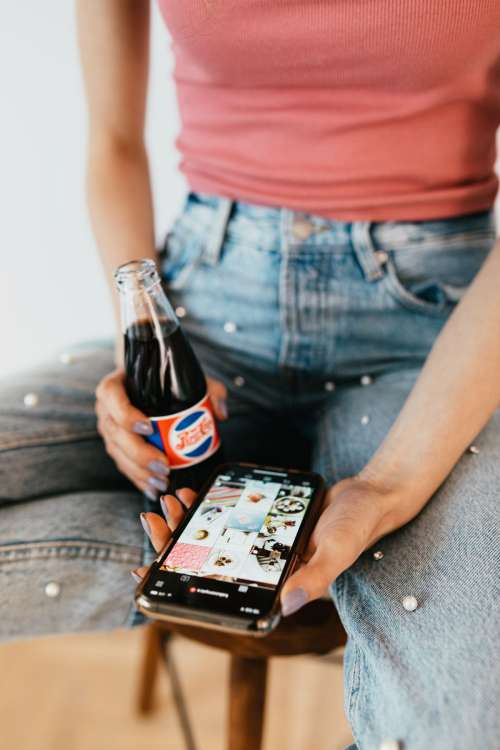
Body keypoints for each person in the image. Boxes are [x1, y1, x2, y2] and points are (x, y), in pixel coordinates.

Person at [1, 2, 499, 748]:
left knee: (463, 720)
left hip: (431, 336)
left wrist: (391, 489)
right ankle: (228, 562)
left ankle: (218, 558)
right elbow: (111, 141)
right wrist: (143, 348)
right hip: (200, 317)